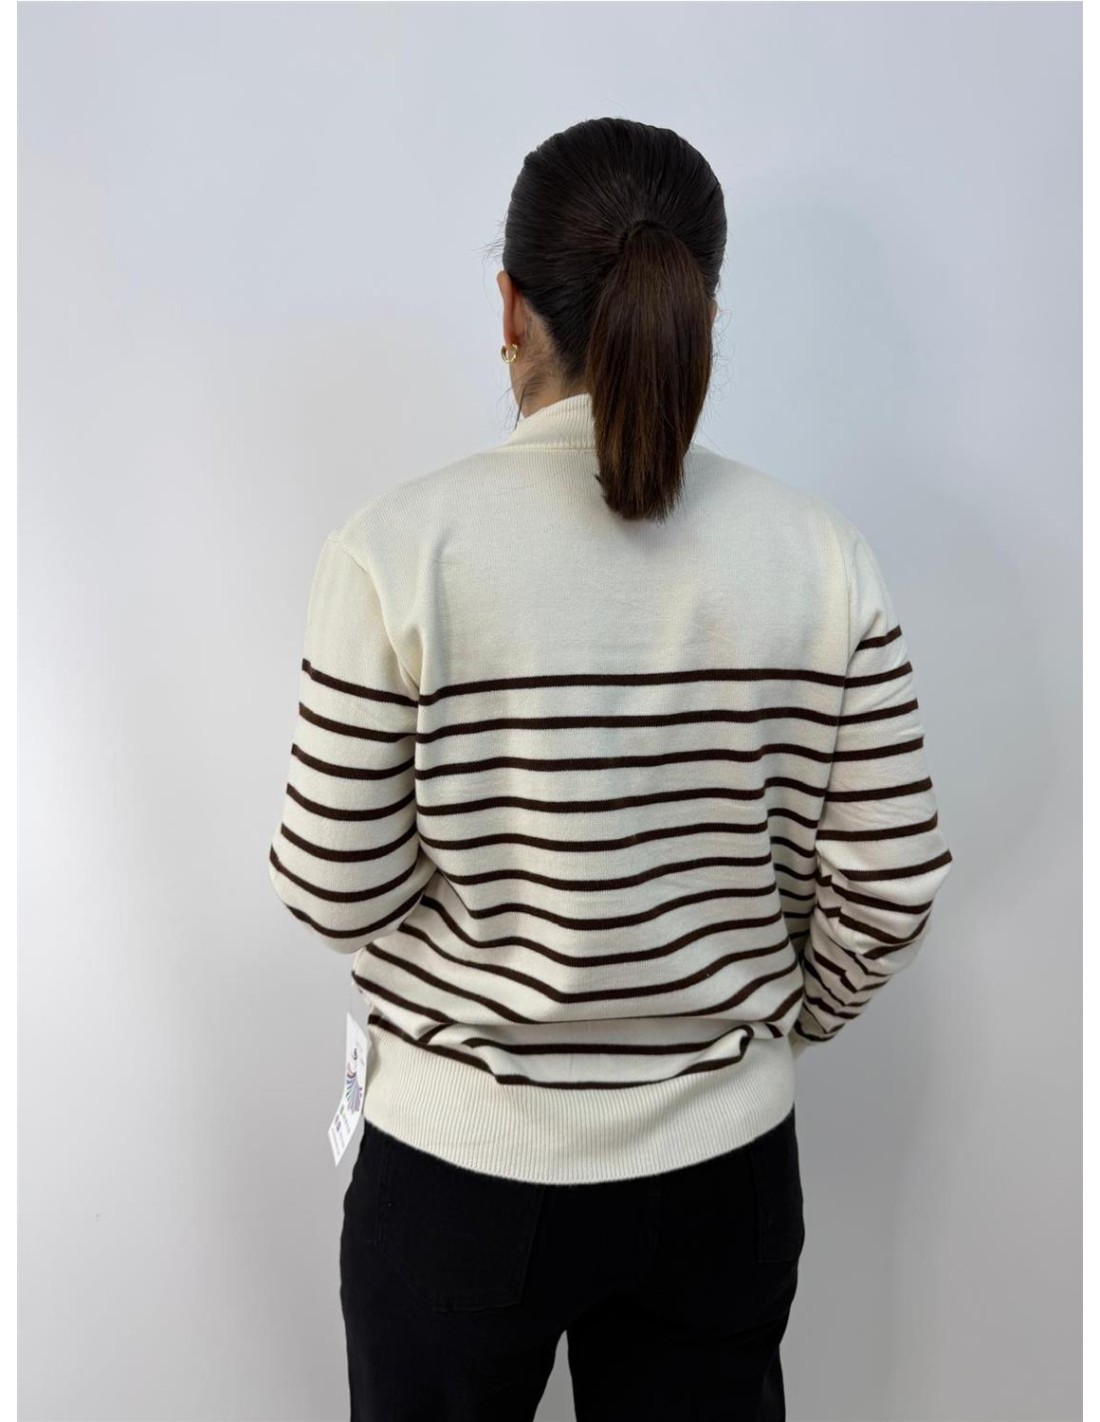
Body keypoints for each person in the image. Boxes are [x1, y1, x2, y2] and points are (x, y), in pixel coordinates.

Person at [267, 116, 955, 1421]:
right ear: (701, 310)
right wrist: (765, 1024)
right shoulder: (820, 557)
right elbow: (894, 882)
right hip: (719, 1173)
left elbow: (332, 885)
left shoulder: (396, 551)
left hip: (458, 1169)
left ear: (510, 307)